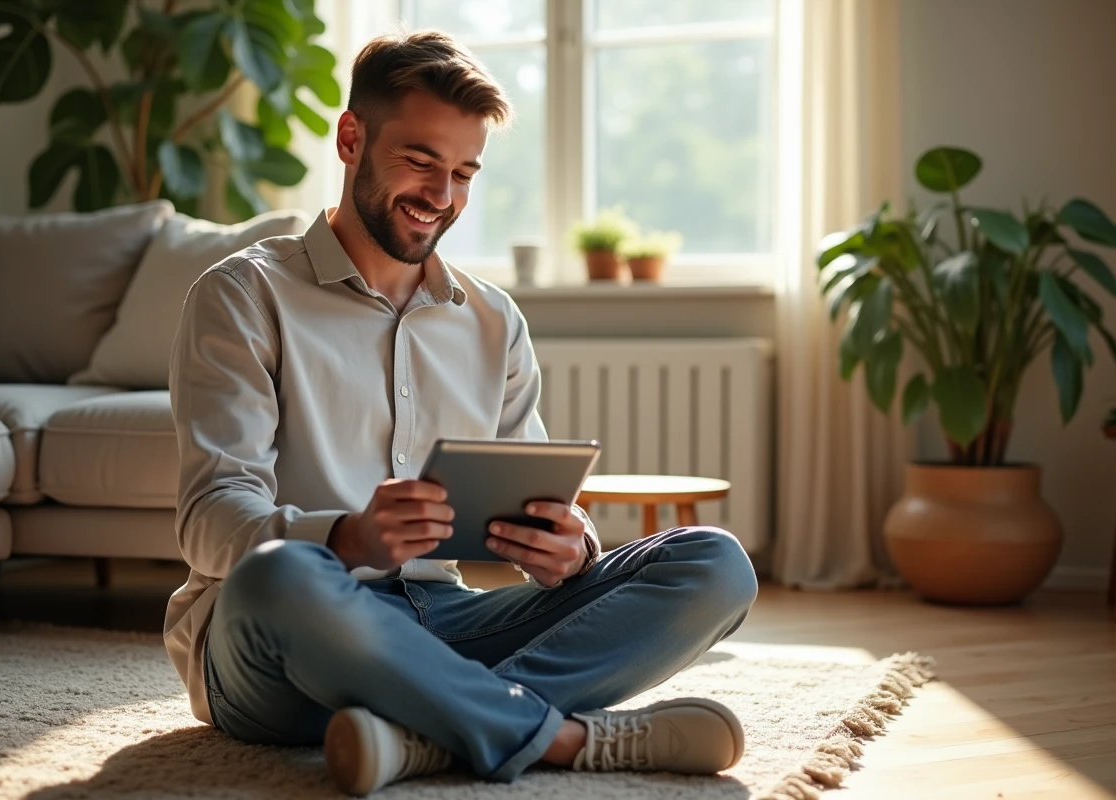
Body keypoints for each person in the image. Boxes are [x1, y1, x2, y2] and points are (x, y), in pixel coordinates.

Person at [164, 28, 758, 797]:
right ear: (351, 139)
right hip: (284, 640)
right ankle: (559, 738)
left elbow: (537, 498)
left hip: (443, 619)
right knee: (280, 573)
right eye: (420, 161)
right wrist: (348, 537)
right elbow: (209, 521)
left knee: (714, 564)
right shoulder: (241, 296)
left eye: (464, 173)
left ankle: (424, 735)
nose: (441, 196)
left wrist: (568, 547)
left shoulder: (492, 319)